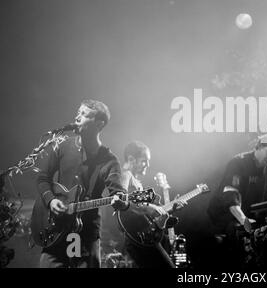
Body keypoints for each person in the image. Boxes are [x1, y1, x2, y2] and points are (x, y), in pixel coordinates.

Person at [36, 99, 129, 268]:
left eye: (85, 114)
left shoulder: (109, 160)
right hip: (55, 230)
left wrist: (120, 200)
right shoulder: (63, 146)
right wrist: (51, 200)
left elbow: (118, 192)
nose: (77, 117)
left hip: (85, 236)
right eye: (78, 112)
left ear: (99, 125)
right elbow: (43, 178)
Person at [207, 131, 267, 268]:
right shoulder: (238, 163)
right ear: (260, 146)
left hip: (249, 216)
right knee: (237, 246)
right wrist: (244, 221)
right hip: (225, 215)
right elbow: (231, 197)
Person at [120, 140, 184, 268]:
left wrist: (170, 208)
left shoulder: (137, 182)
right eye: (144, 161)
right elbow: (122, 200)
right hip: (136, 240)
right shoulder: (125, 175)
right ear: (131, 159)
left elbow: (147, 214)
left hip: (144, 238)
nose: (147, 165)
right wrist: (151, 207)